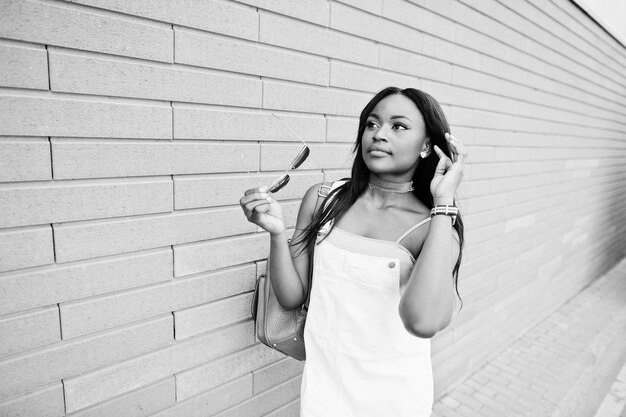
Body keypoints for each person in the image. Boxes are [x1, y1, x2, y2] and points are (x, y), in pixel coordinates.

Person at [240, 87, 466, 416]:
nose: (379, 134)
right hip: (322, 390)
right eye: (371, 124)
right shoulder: (323, 199)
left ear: (427, 146)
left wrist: (444, 204)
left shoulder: (434, 228)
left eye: (398, 126)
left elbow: (423, 322)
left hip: (394, 399)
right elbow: (292, 297)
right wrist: (277, 234)